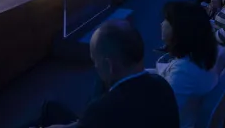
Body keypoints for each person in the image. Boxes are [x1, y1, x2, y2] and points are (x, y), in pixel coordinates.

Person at [33, 20, 180, 128]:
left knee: (49, 110)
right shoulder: (163, 86)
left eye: (95, 61)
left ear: (109, 65)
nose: (95, 67)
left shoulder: (104, 110)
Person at [157, 1, 219, 128]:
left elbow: (161, 115)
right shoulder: (200, 57)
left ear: (180, 29)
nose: (161, 24)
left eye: (166, 20)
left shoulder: (183, 72)